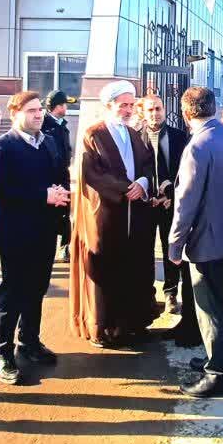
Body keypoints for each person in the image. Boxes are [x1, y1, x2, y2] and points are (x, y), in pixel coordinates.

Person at [0, 91, 71, 386]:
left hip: (44, 231)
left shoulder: (48, 142)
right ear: (14, 113)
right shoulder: (2, 147)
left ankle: (29, 341)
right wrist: (43, 195)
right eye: (31, 110)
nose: (38, 115)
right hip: (16, 234)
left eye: (39, 110)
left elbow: (59, 174)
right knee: (13, 293)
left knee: (37, 289)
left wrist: (61, 195)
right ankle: (1, 352)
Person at [167, 87, 223, 398]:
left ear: (186, 113)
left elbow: (185, 203)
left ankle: (217, 374)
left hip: (207, 240)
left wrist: (175, 245)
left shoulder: (196, 147)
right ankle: (216, 357)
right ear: (213, 108)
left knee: (210, 308)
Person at [68, 80, 160, 347]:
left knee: (134, 267)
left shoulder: (133, 133)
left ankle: (133, 323)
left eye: (131, 105)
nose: (129, 110)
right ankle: (105, 328)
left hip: (135, 213)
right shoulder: (93, 134)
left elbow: (147, 164)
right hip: (106, 215)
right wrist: (125, 188)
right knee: (107, 268)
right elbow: (92, 174)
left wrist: (143, 183)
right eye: (123, 105)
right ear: (109, 105)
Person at [137, 94, 188, 316]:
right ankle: (146, 295)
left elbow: (185, 172)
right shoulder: (135, 138)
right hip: (145, 204)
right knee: (145, 251)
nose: (155, 113)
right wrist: (146, 195)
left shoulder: (179, 137)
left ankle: (171, 293)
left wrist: (172, 196)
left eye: (158, 108)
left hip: (170, 204)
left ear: (164, 110)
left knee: (171, 249)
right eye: (150, 109)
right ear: (143, 112)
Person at [41, 90, 76, 263]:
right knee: (50, 214)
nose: (66, 108)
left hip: (63, 175)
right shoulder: (44, 125)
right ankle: (47, 247)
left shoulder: (62, 125)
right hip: (50, 177)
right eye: (64, 105)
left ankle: (65, 247)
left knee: (64, 213)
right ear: (57, 106)